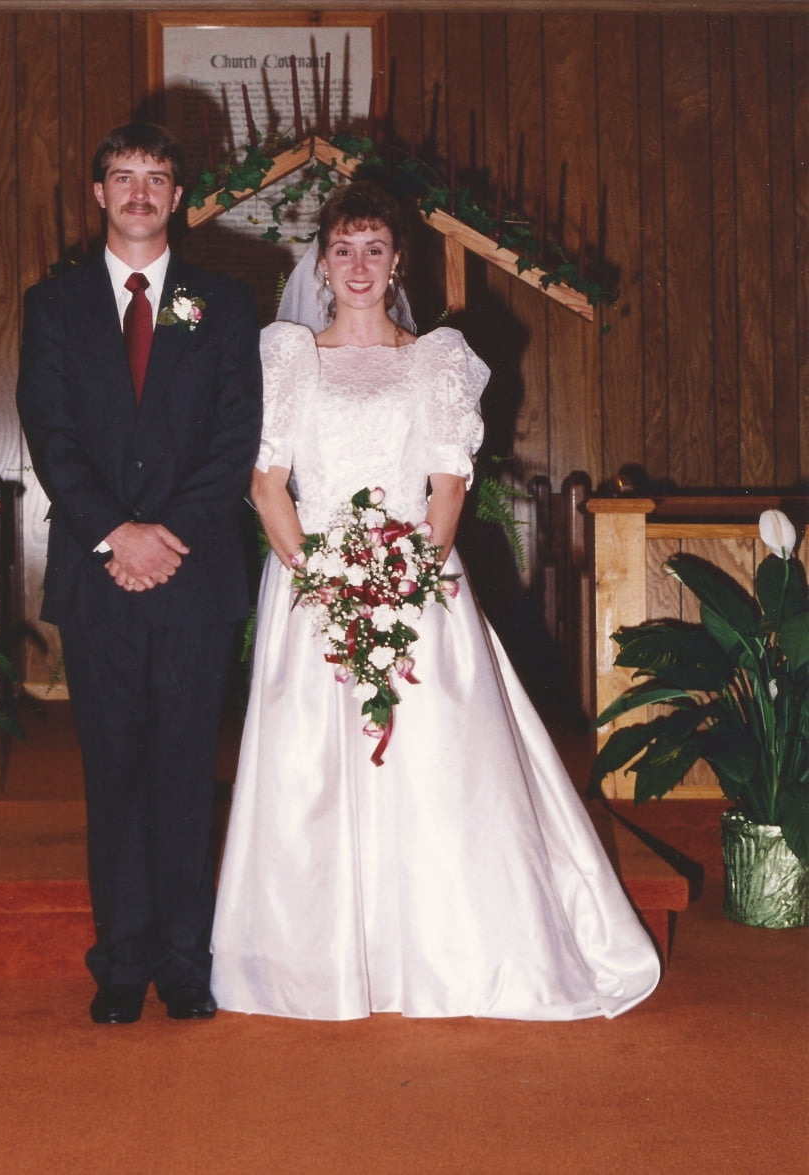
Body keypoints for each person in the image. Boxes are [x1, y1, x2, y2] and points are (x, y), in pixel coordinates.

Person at [210, 181, 661, 1021]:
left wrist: (408, 571)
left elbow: (448, 483)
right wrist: (321, 577)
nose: (357, 265)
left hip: (416, 581)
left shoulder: (435, 359)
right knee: (308, 768)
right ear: (321, 262)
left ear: (397, 263)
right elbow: (268, 484)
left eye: (374, 248)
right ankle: (313, 963)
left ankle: (451, 953)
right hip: (310, 587)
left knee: (436, 762)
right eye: (342, 249)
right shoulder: (289, 355)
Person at [17, 122, 262, 1025]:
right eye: (123, 176)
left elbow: (236, 436)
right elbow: (51, 434)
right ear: (98, 193)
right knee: (114, 768)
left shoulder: (226, 304)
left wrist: (167, 538)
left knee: (185, 768)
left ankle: (185, 960)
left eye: (158, 178)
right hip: (95, 572)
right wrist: (118, 534)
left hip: (195, 576)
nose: (141, 193)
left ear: (181, 197)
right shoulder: (55, 305)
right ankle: (121, 959)